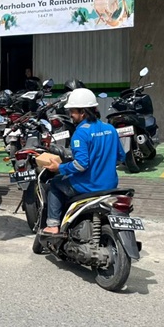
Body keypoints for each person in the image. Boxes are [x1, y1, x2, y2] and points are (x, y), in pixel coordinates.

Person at [41, 88, 124, 234]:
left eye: (72, 111)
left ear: (83, 112)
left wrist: (60, 167)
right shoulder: (110, 128)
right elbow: (120, 157)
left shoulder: (80, 133)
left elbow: (81, 164)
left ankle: (53, 225)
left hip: (88, 186)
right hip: (111, 185)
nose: (71, 116)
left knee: (55, 184)